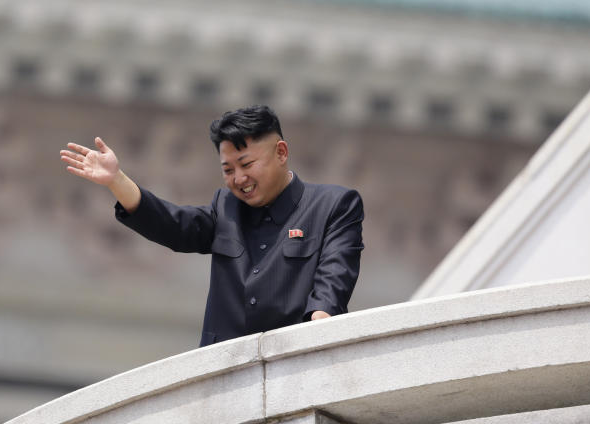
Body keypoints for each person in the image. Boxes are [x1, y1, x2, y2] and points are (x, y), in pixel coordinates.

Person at [60, 105, 363, 346]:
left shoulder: (333, 206)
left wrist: (320, 326)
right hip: (225, 372)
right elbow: (174, 226)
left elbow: (334, 278)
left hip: (296, 364)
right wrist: (117, 180)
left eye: (246, 165)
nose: (239, 179)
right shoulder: (226, 207)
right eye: (228, 170)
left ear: (281, 153)